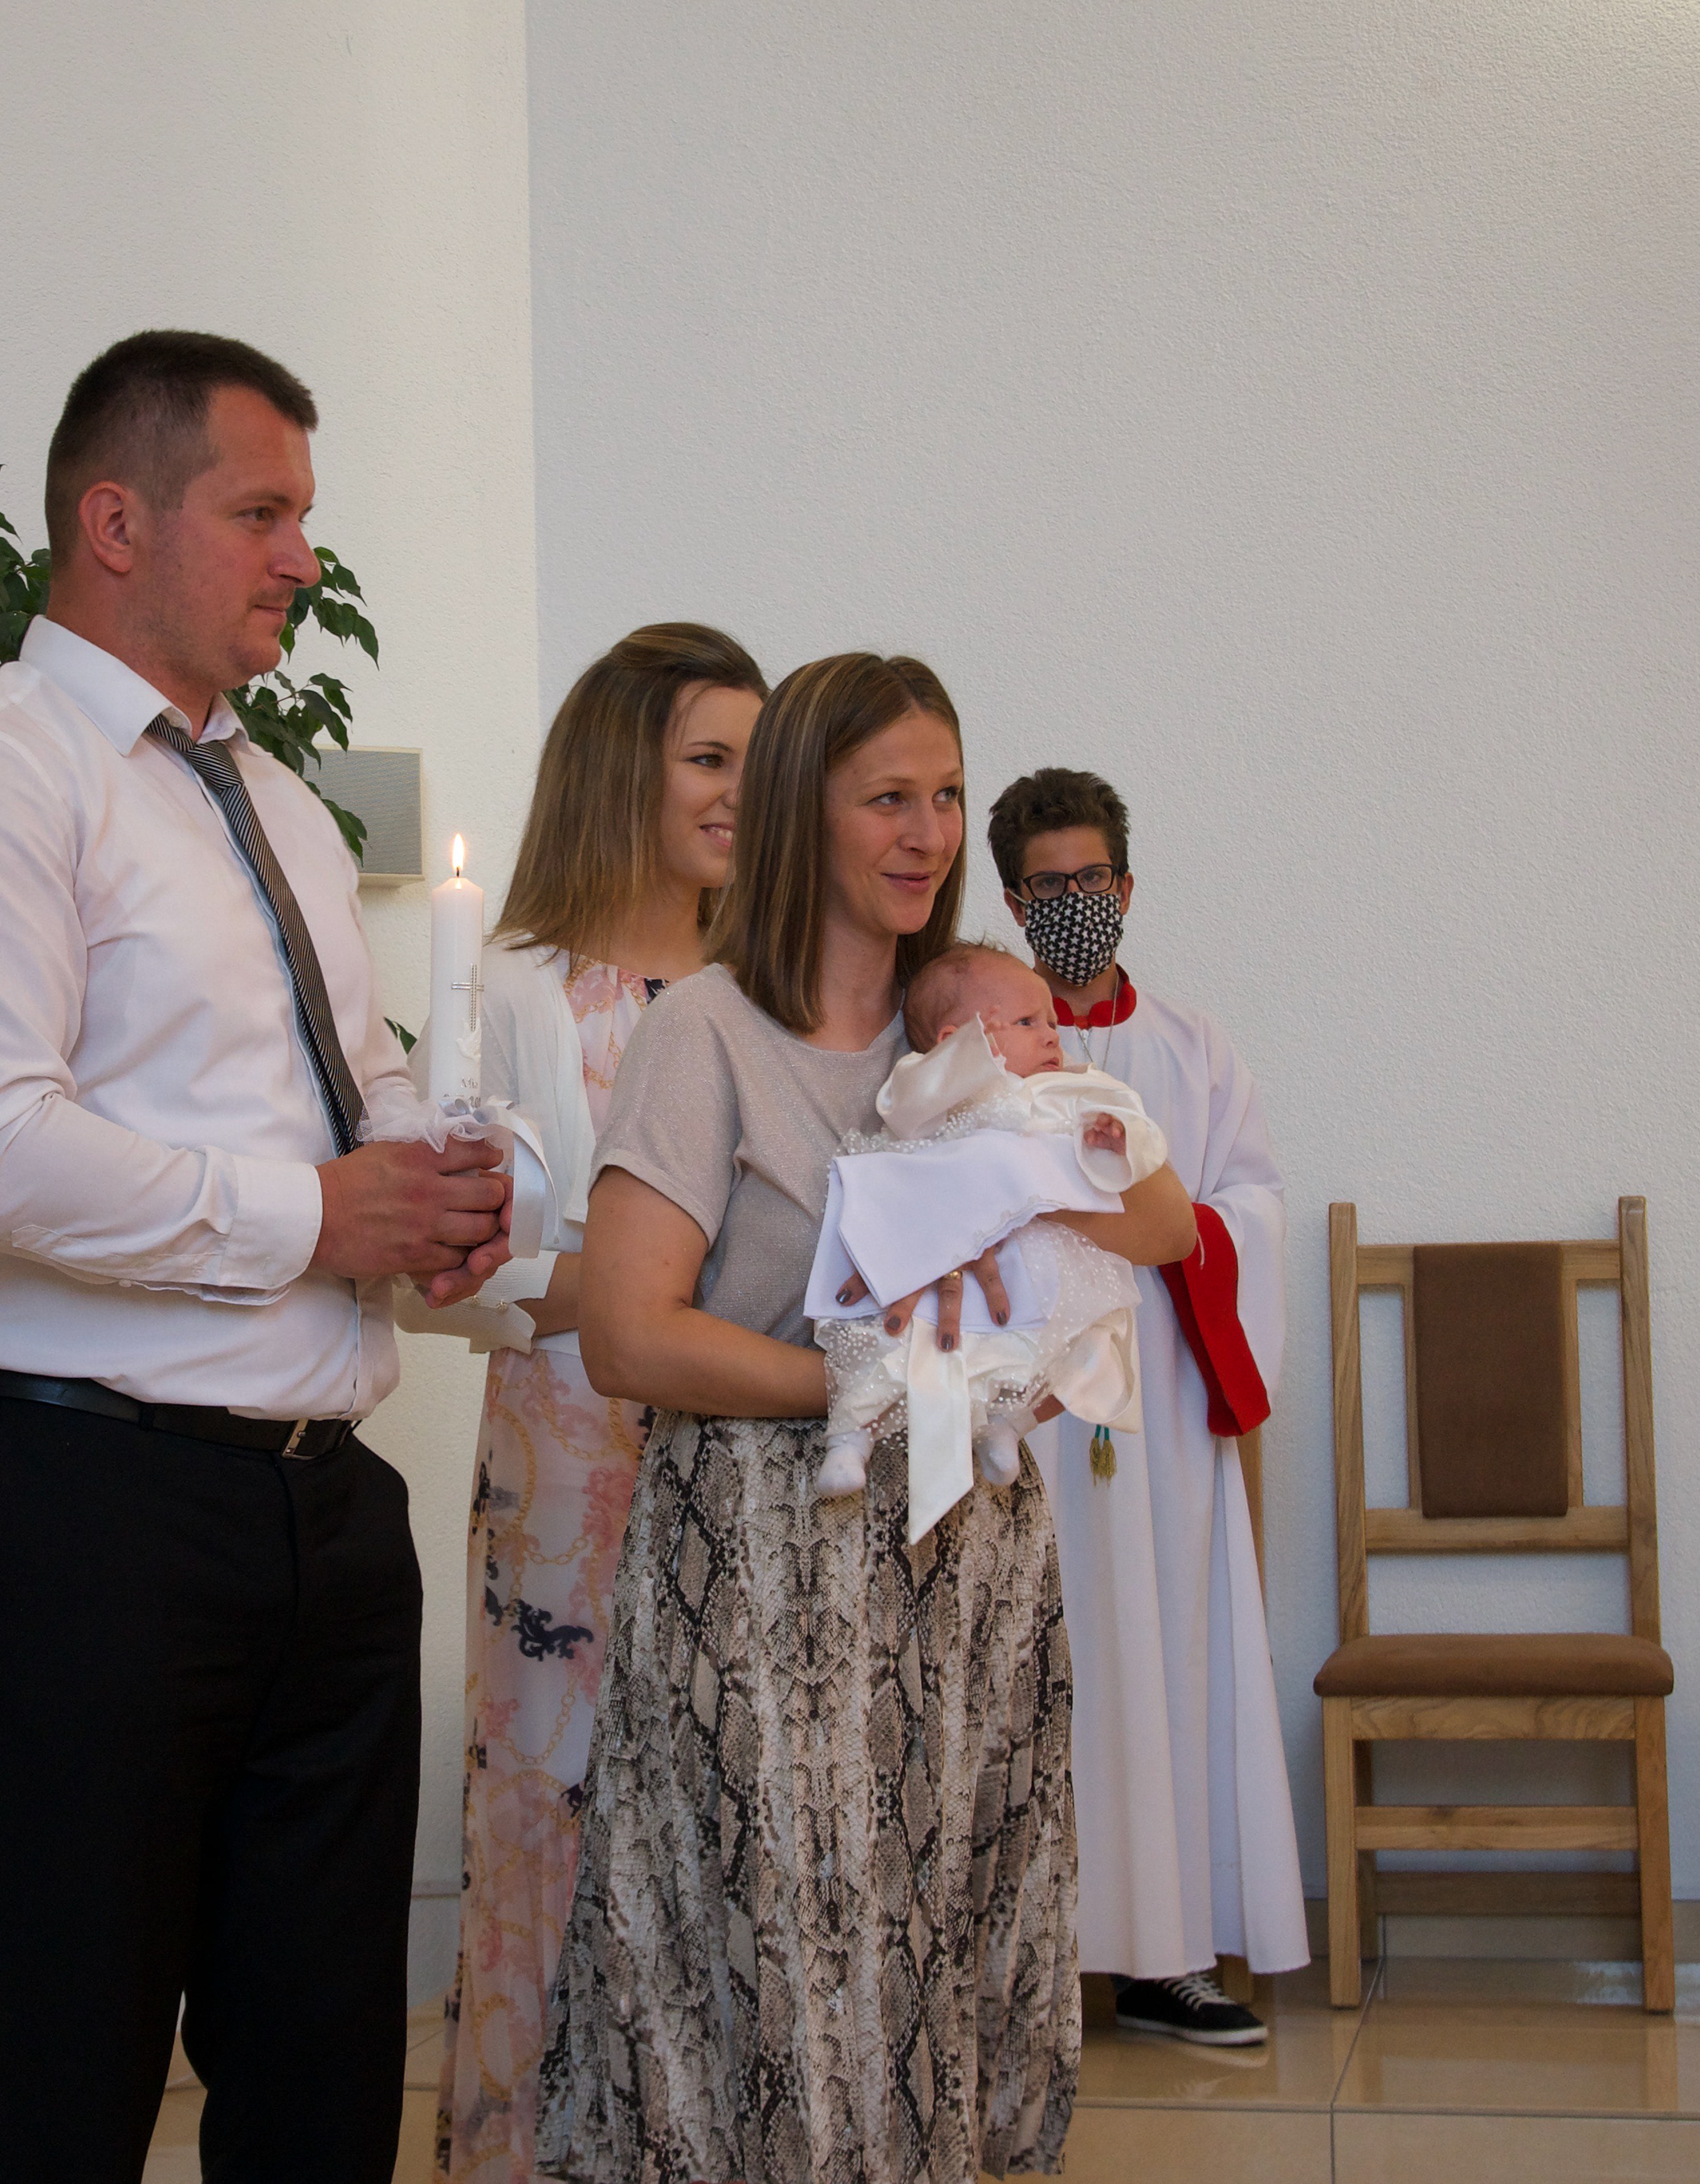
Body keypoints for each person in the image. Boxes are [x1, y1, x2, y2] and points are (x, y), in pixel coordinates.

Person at [0, 330, 511, 2184]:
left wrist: (438, 1186)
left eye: (307, 513)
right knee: (61, 2083)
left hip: (318, 1513)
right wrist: (320, 1215)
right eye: (261, 510)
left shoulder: (274, 799)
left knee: (320, 2079)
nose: (303, 553)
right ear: (114, 521)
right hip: (72, 1507)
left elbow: (356, 1079)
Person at [532, 655, 1197, 2184]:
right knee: (794, 1979)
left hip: (967, 1568)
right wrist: (872, 1386)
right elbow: (630, 1331)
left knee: (947, 1946)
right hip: (770, 1567)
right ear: (796, 810)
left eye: (946, 794)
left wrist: (1049, 1105)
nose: (927, 829)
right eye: (887, 795)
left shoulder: (966, 1017)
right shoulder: (707, 1030)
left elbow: (1160, 1220)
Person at [425, 623, 767, 2184]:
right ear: (623, 771)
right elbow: (453, 1271)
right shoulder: (510, 989)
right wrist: (614, 1286)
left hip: (741, 1470)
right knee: (552, 1824)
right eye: (709, 758)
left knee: (726, 1827)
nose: (741, 791)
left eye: (758, 762)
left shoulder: (769, 999)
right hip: (564, 1482)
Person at [989, 766, 1308, 2047]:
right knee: (1031, 1663)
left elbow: (1252, 1204)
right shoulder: (983, 1048)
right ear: (1014, 902)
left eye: (1093, 878)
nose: (1075, 901)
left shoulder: (1192, 1046)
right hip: (1035, 1409)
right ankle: (1014, 1963)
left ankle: (1163, 1956)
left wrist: (1162, 1231)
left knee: (1162, 1653)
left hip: (1160, 1399)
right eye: (1048, 886)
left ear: (1127, 884)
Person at [809, 942, 1167, 1511]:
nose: (1050, 1036)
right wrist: (968, 1059)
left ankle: (1009, 1423)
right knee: (897, 1344)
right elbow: (904, 1105)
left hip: (1038, 1254)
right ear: (957, 1041)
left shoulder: (1075, 1088)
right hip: (944, 1249)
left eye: (1051, 1022)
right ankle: (851, 1438)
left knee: (1091, 1339)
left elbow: (1142, 1137)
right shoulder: (948, 1087)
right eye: (1027, 1022)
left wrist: (1117, 1139)